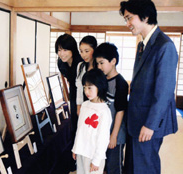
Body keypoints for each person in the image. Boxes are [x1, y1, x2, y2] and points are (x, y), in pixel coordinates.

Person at [119, 0, 178, 173]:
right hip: (136, 119)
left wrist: (151, 125)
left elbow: (164, 92)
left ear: (145, 17)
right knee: (132, 166)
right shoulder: (142, 44)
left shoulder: (164, 46)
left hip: (148, 122)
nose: (127, 24)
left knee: (144, 167)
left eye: (129, 18)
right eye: (125, 19)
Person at [94, 42, 128, 174]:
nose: (99, 66)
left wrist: (113, 136)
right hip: (102, 133)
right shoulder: (101, 80)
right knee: (101, 165)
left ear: (113, 61)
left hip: (116, 134)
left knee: (114, 167)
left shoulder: (121, 83)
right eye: (97, 63)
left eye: (102, 63)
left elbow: (120, 111)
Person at [72, 69, 112, 174]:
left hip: (93, 156)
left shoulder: (104, 111)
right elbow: (79, 130)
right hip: (81, 152)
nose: (86, 91)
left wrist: (96, 160)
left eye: (90, 88)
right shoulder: (84, 105)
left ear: (100, 86)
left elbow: (103, 138)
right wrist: (75, 148)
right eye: (85, 88)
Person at [55, 33, 83, 134]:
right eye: (59, 50)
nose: (62, 53)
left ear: (72, 49)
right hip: (73, 93)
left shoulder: (80, 62)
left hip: (85, 94)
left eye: (65, 50)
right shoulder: (61, 63)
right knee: (74, 122)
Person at [76, 35, 97, 115]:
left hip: (96, 105)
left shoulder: (99, 67)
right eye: (81, 51)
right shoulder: (80, 66)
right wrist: (79, 106)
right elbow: (79, 87)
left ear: (94, 50)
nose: (83, 55)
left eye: (86, 51)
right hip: (85, 103)